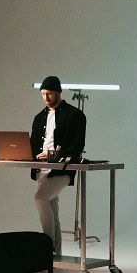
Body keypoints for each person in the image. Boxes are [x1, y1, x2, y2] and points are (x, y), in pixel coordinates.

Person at [30, 75, 86, 255]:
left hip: (62, 169)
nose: (46, 98)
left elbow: (77, 145)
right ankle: (56, 257)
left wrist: (53, 154)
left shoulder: (75, 115)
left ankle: (48, 247)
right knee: (52, 211)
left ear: (58, 93)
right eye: (43, 94)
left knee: (40, 199)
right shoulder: (39, 117)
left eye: (50, 94)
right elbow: (32, 143)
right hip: (42, 169)